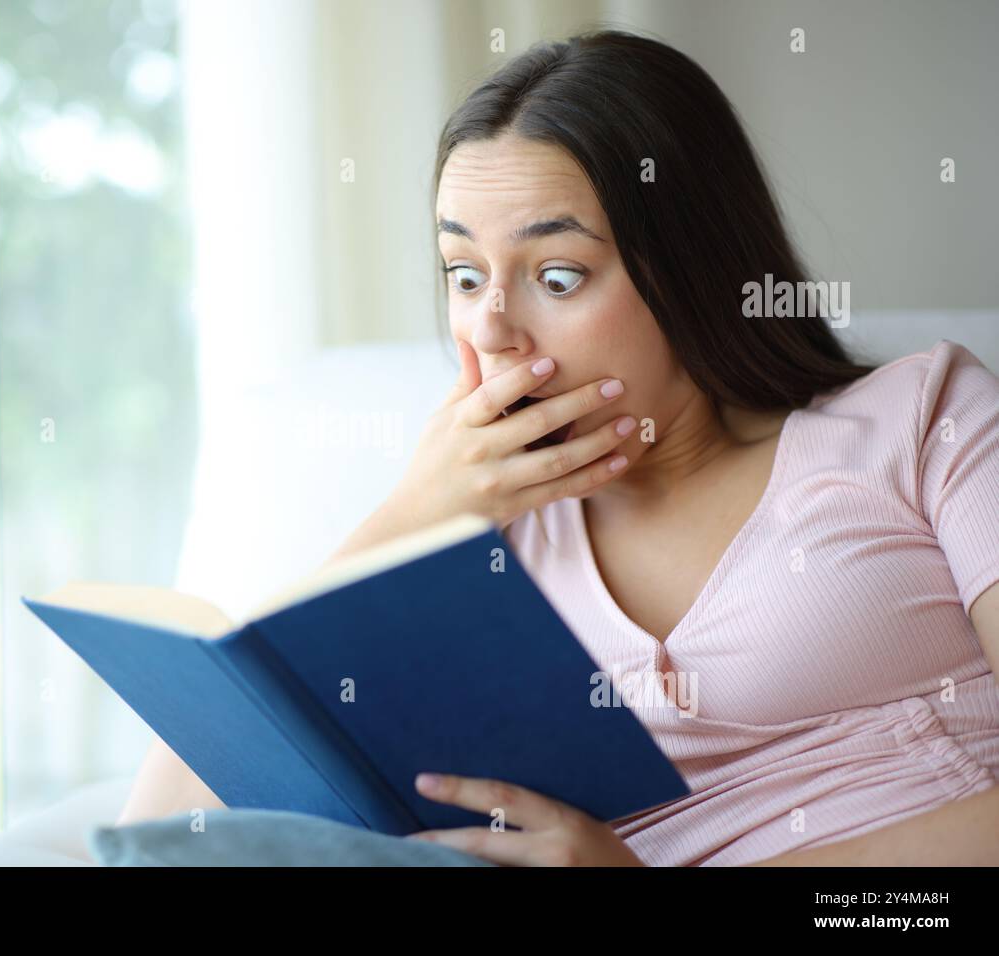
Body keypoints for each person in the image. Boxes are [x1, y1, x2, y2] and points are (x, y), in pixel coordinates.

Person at [115, 31, 999, 866]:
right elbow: (158, 837)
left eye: (557, 276)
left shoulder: (922, 422)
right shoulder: (484, 554)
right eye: (464, 276)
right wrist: (415, 516)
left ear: (691, 269)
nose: (491, 325)